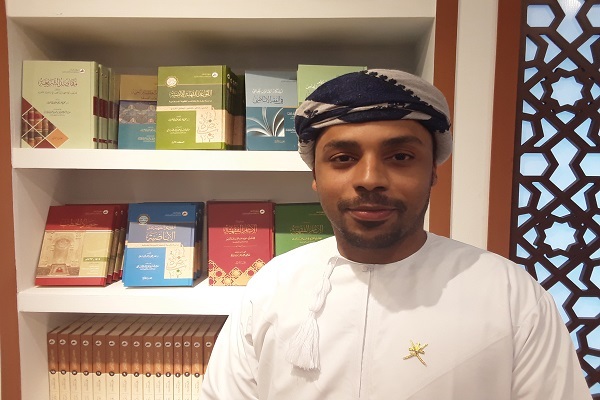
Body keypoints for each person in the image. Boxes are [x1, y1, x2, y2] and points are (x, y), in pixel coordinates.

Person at [201, 69, 591, 399]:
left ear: (433, 171)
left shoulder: (510, 295)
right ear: (315, 175)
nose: (370, 179)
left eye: (400, 157)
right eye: (343, 158)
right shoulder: (272, 286)